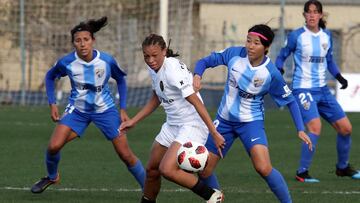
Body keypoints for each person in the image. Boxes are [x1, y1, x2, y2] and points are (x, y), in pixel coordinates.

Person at [193, 24, 312, 203]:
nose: (250, 46)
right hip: (223, 122)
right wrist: (197, 75)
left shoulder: (271, 73)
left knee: (263, 167)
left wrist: (300, 129)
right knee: (204, 171)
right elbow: (204, 62)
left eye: (256, 43)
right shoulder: (234, 54)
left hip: (251, 123)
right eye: (248, 41)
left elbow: (291, 101)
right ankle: (217, 200)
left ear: (266, 47)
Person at [30, 16, 145, 193]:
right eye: (78, 41)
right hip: (78, 111)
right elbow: (50, 76)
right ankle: (52, 177)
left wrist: (122, 108)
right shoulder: (67, 62)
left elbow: (121, 79)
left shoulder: (106, 61)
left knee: (125, 155)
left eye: (86, 40)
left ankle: (149, 188)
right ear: (73, 44)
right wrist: (52, 103)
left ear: (93, 41)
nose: (82, 44)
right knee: (53, 146)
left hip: (105, 110)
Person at [120, 34, 225, 203]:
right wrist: (134, 120)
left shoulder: (173, 72)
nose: (150, 60)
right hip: (173, 124)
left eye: (154, 55)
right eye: (146, 56)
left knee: (167, 169)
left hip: (192, 124)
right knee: (152, 170)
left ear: (164, 51)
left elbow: (197, 102)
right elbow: (157, 97)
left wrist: (214, 133)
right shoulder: (154, 69)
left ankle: (213, 196)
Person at [275, 0, 360, 183]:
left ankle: (342, 168)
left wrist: (340, 78)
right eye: (309, 12)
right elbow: (282, 56)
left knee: (346, 128)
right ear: (304, 15)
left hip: (323, 90)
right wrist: (279, 69)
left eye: (315, 12)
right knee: (315, 127)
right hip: (303, 89)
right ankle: (302, 172)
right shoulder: (296, 36)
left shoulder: (326, 36)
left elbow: (329, 60)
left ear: (321, 15)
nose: (312, 15)